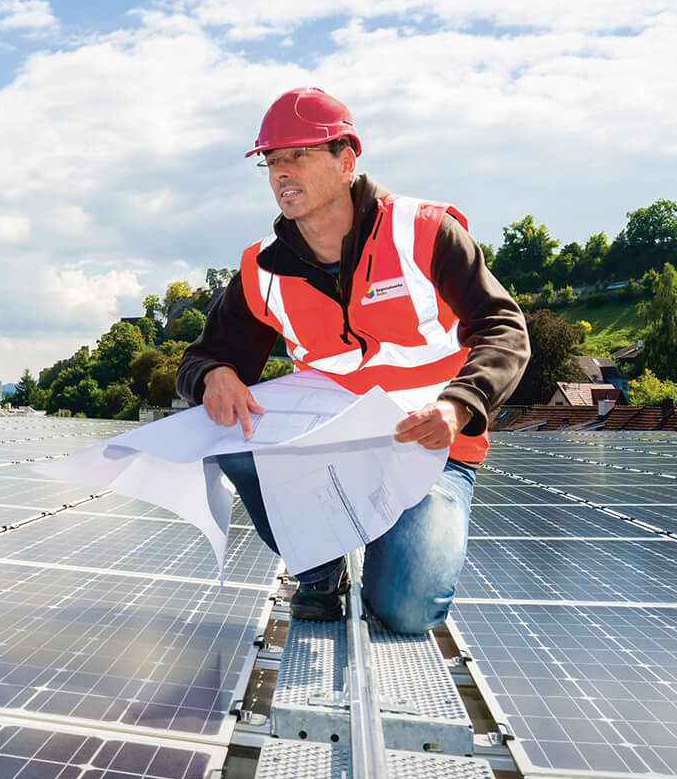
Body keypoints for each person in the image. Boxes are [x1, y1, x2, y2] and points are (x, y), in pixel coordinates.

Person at [175, 86, 529, 632]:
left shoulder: (425, 231)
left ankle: (383, 529)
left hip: (430, 445)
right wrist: (213, 374)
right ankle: (319, 569)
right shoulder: (262, 269)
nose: (280, 172)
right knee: (231, 436)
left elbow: (504, 330)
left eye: (298, 155)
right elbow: (202, 359)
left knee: (405, 611)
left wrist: (460, 405)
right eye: (271, 160)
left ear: (347, 160)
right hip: (326, 446)